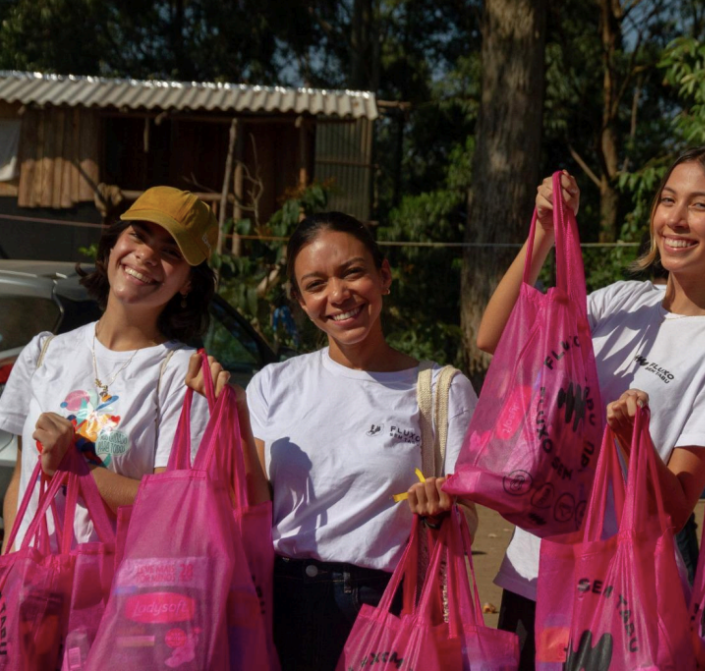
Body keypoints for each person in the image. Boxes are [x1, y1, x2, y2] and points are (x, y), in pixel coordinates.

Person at [478, 150, 705, 669]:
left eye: (700, 206)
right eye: (668, 200)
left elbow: (678, 508)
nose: (675, 220)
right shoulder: (617, 301)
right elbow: (494, 338)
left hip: (614, 592)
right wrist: (544, 233)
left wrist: (631, 439)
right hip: (531, 570)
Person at [233, 212, 478, 671]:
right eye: (316, 284)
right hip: (279, 602)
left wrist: (442, 512)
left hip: (385, 606)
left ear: (383, 276)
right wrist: (232, 419)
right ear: (300, 300)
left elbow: (467, 519)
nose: (338, 295)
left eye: (352, 272)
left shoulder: (441, 389)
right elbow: (255, 504)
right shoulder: (275, 383)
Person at [0, 186, 218, 551]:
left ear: (188, 282)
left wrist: (74, 469)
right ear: (114, 244)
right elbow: (22, 479)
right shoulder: (45, 352)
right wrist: (9, 559)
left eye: (170, 252)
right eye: (138, 235)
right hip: (31, 589)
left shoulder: (184, 375)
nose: (146, 255)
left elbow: (173, 507)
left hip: (110, 595)